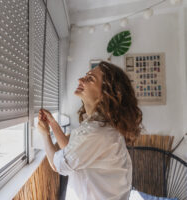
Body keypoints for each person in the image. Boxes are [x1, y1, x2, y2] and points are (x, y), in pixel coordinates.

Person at [37, 61, 143, 200]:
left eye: (90, 79)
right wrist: (53, 124)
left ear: (105, 94)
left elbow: (59, 165)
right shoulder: (101, 126)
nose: (80, 79)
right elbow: (72, 151)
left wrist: (45, 135)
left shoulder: (96, 132)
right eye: (86, 76)